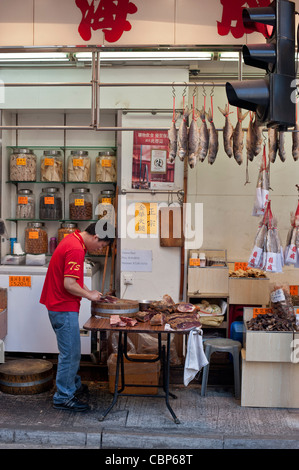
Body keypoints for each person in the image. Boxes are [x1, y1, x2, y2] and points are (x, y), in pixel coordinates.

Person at [40, 222, 114, 412]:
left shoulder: (72, 240)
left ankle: (73, 386)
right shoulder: (76, 249)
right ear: (96, 237)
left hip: (59, 304)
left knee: (71, 350)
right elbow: (69, 284)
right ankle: (63, 397)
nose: (100, 249)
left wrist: (90, 291)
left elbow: (74, 280)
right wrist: (89, 296)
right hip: (62, 307)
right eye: (102, 245)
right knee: (71, 354)